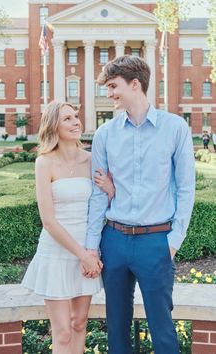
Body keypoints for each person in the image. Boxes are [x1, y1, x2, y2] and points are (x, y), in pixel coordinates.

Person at [85, 55, 195, 354]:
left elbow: (186, 188)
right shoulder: (105, 133)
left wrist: (173, 241)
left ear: (135, 84)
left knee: (163, 331)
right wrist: (92, 245)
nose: (108, 94)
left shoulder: (175, 128)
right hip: (115, 240)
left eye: (112, 86)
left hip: (156, 242)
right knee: (116, 332)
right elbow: (98, 194)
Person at [21, 101, 114, 354]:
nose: (76, 122)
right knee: (61, 332)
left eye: (76, 116)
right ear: (54, 126)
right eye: (67, 119)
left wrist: (109, 189)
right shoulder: (44, 163)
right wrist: (82, 255)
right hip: (57, 253)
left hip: (87, 251)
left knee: (79, 323)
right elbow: (48, 221)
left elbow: (102, 203)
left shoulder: (93, 159)